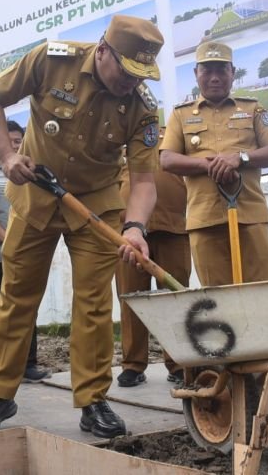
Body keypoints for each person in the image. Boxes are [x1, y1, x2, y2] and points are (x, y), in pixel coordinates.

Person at [0, 15, 164, 438]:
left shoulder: (143, 107)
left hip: (97, 207)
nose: (132, 81)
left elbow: (145, 181)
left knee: (93, 305)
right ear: (104, 50)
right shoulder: (53, 60)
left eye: (141, 74)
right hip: (36, 196)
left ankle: (93, 401)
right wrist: (6, 155)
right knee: (16, 295)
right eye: (126, 70)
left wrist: (134, 227)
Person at [160, 41, 268, 402]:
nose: (215, 76)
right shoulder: (181, 115)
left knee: (259, 297)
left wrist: (240, 157)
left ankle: (265, 375)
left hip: (250, 216)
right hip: (204, 219)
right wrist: (208, 164)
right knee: (216, 301)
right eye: (208, 70)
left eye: (222, 70)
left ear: (233, 74)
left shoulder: (253, 109)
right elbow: (168, 160)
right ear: (197, 75)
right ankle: (230, 376)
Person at [0, 119, 50, 384]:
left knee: (28, 309)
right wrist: (10, 240)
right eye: (11, 141)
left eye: (19, 141)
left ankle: (28, 364)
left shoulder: (31, 175)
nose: (16, 145)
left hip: (26, 255)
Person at [115, 147, 191, 388]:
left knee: (176, 297)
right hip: (127, 233)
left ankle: (179, 363)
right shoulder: (115, 140)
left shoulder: (170, 139)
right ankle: (133, 364)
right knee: (131, 299)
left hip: (174, 228)